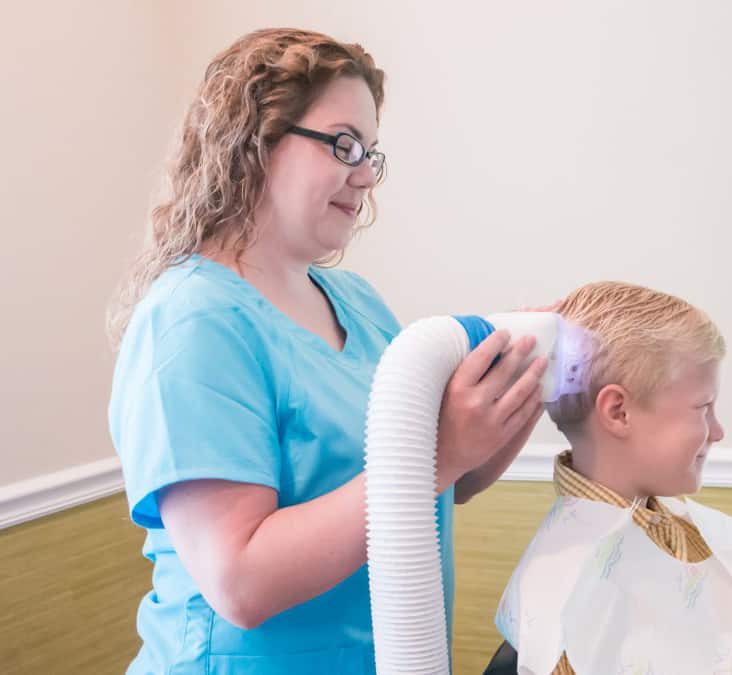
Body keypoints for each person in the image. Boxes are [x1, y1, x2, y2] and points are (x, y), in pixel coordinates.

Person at [107, 27, 548, 674]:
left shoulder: (357, 304)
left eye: (371, 152)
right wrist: (438, 454)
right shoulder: (191, 321)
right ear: (254, 141)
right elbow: (241, 581)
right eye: (344, 144)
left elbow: (446, 483)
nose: (366, 175)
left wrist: (523, 384)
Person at [489, 281, 732, 674]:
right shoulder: (566, 598)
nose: (718, 432)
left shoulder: (675, 527)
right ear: (618, 412)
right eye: (703, 407)